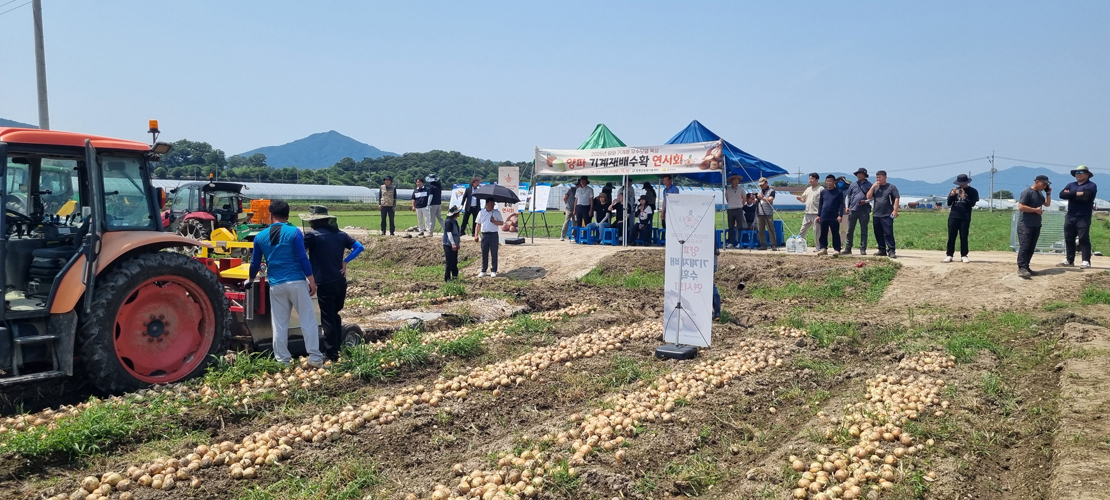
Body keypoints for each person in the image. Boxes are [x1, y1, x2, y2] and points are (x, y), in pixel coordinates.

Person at [249, 200, 324, 368]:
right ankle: (314, 358)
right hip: (297, 281)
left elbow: (255, 263)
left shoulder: (260, 236)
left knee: (279, 324)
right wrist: (311, 279)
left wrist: (251, 279)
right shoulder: (294, 232)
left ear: (270, 215)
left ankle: (283, 361)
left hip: (276, 284)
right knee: (308, 320)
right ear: (288, 215)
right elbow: (302, 257)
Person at [302, 206, 364, 361]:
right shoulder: (341, 235)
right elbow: (359, 247)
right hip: (340, 282)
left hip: (324, 281)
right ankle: (337, 346)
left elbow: (299, 253)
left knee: (327, 317)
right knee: (334, 315)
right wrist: (345, 262)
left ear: (315, 221)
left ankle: (331, 354)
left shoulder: (313, 236)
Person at [1058, 165, 1097, 269]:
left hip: (1083, 216)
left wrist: (1071, 194)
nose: (1078, 174)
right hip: (1070, 215)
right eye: (1077, 173)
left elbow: (1086, 198)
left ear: (1087, 174)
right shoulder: (1071, 184)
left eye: (1081, 172)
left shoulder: (1091, 185)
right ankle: (1069, 259)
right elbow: (1062, 195)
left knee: (1083, 238)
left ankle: (1086, 260)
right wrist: (1077, 193)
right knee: (1069, 238)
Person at [1016, 175, 1052, 278]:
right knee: (1025, 246)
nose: (1044, 186)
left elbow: (1047, 204)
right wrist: (1035, 210)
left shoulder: (1040, 193)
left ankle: (1026, 266)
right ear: (1037, 182)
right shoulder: (1027, 192)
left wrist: (1048, 193)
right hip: (1025, 225)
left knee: (1031, 247)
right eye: (1043, 184)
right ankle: (1021, 267)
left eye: (1046, 185)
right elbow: (1021, 206)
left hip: (1036, 224)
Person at [944, 174, 980, 263]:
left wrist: (964, 197)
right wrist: (952, 196)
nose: (961, 185)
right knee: (951, 236)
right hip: (953, 216)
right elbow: (948, 203)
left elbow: (972, 204)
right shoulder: (955, 190)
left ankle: (964, 255)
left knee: (964, 236)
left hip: (965, 216)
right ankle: (949, 255)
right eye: (960, 183)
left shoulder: (973, 191)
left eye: (963, 183)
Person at [866, 170, 900, 258]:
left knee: (888, 233)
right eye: (877, 177)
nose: (878, 179)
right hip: (876, 214)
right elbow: (868, 197)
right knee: (878, 233)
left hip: (887, 214)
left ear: (885, 177)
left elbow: (896, 198)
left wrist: (895, 210)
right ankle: (882, 250)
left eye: (880, 177)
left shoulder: (891, 187)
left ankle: (891, 250)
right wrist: (873, 187)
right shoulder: (875, 187)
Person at [843, 168, 872, 255]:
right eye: (858, 174)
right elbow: (848, 196)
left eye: (861, 174)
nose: (859, 175)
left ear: (865, 175)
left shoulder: (870, 185)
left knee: (864, 230)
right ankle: (848, 248)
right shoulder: (853, 184)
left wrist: (866, 201)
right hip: (853, 210)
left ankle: (863, 249)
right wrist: (847, 206)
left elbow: (872, 197)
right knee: (850, 230)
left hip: (864, 210)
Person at [815, 175, 845, 255]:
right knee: (823, 232)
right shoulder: (823, 192)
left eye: (830, 181)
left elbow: (841, 205)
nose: (829, 183)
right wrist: (819, 215)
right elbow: (820, 204)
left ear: (834, 182)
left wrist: (840, 215)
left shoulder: (838, 192)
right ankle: (823, 248)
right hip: (824, 214)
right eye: (827, 181)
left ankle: (837, 249)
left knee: (835, 232)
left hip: (834, 215)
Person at [474, 199, 504, 278]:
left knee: (494, 253)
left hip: (493, 234)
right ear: (487, 203)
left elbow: (501, 223)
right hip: (484, 235)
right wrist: (476, 235)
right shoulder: (481, 213)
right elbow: (478, 224)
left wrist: (494, 221)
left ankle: (494, 270)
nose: (493, 205)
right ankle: (483, 270)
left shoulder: (496, 213)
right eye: (491, 204)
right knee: (484, 252)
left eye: (493, 204)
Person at [796, 173, 823, 250]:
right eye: (809, 178)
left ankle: (818, 246)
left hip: (816, 213)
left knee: (817, 231)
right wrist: (799, 199)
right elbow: (803, 200)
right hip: (807, 213)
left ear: (817, 180)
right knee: (802, 230)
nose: (810, 180)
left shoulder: (821, 189)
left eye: (812, 178)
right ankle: (799, 245)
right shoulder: (808, 189)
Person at [724, 174, 746, 248]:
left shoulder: (741, 189)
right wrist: (731, 204)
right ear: (731, 181)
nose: (736, 181)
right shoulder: (728, 190)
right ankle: (731, 242)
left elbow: (744, 198)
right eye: (735, 180)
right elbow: (727, 199)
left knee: (739, 226)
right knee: (731, 226)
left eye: (737, 180)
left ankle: (739, 242)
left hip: (739, 208)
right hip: (730, 209)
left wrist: (741, 205)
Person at [755, 177, 777, 250]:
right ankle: (763, 245)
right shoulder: (759, 192)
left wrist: (761, 198)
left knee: (771, 229)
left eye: (762, 184)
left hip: (768, 213)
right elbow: (756, 201)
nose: (761, 186)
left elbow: (770, 200)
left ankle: (773, 245)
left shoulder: (771, 191)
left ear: (766, 183)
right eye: (760, 185)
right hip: (760, 213)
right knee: (761, 230)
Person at [442, 206, 462, 281]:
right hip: (448, 244)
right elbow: (449, 234)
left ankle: (455, 277)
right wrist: (453, 244)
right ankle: (447, 278)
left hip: (454, 244)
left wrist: (457, 244)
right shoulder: (448, 222)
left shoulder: (454, 221)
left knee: (454, 262)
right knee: (449, 262)